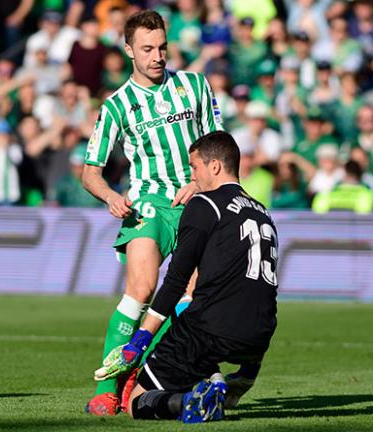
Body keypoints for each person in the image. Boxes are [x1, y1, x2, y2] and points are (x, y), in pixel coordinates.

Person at [81, 10, 223, 416]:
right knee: (142, 289)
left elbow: (218, 143)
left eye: (162, 47)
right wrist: (109, 196)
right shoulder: (116, 106)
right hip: (147, 203)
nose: (157, 56)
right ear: (129, 50)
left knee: (190, 297)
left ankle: (146, 377)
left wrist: (199, 183)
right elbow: (90, 173)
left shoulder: (195, 85)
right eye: (147, 49)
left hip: (195, 202)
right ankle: (108, 387)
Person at [93, 131, 278, 423]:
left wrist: (141, 340)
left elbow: (177, 280)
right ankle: (227, 379)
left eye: (194, 167)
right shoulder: (262, 212)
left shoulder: (204, 204)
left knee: (136, 402)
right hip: (259, 333)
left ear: (214, 166)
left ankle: (191, 402)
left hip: (210, 331)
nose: (192, 175)